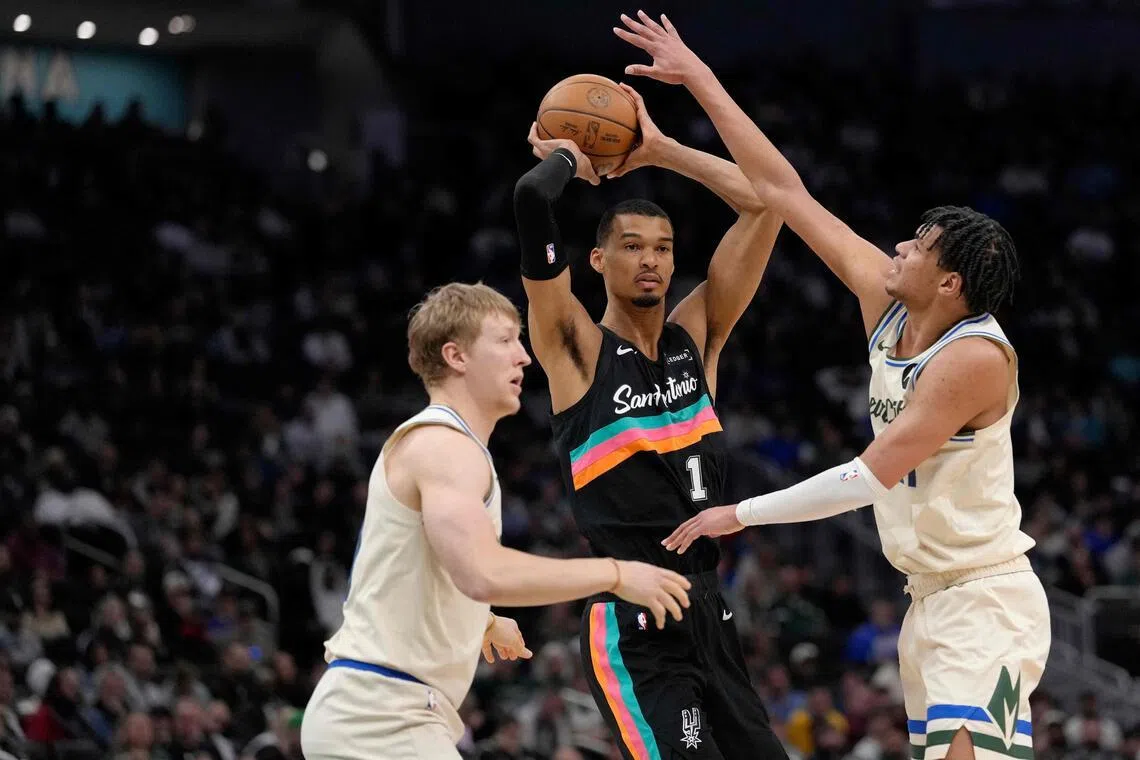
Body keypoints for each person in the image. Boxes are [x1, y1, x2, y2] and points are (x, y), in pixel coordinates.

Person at [614, 11, 1050, 760]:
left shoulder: (975, 359)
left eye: (920, 246)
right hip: (929, 601)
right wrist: (695, 88)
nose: (901, 245)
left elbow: (869, 476)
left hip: (986, 597)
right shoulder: (886, 303)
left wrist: (739, 514)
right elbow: (783, 191)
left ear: (949, 283)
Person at [300, 283, 692, 760]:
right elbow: (483, 574)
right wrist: (617, 573)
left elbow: (413, 566)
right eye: (505, 340)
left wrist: (479, 621)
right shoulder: (445, 447)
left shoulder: (446, 446)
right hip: (381, 717)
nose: (524, 357)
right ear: (456, 356)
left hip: (375, 712)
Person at [516, 86, 788, 759]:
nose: (651, 260)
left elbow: (764, 203)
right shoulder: (575, 351)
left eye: (663, 248)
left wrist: (660, 151)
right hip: (635, 624)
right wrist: (565, 163)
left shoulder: (695, 337)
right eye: (633, 246)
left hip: (709, 611)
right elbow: (530, 199)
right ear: (599, 262)